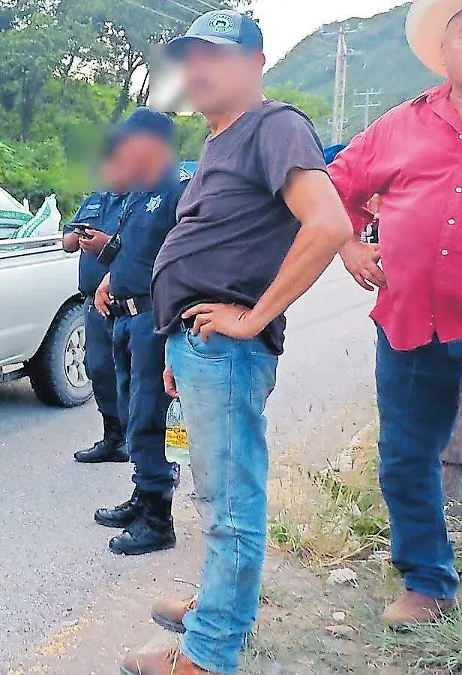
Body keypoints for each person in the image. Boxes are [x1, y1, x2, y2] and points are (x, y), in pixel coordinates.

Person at [122, 11, 352, 675]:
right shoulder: (220, 141)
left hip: (227, 350)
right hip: (197, 349)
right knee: (213, 496)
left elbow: (329, 224)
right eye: (190, 57)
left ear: (255, 63)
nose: (198, 68)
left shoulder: (273, 126)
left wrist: (252, 319)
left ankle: (208, 654)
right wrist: (175, 345)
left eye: (216, 55)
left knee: (229, 503)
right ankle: (218, 609)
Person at [327, 0, 462, 630]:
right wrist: (351, 245)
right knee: (406, 456)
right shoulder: (401, 125)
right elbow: (333, 186)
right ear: (444, 51)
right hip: (412, 323)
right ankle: (427, 582)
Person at [89, 108, 186, 556]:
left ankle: (158, 519)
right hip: (125, 319)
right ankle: (142, 494)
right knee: (132, 413)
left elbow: (182, 257)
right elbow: (136, 252)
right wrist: (111, 277)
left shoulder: (177, 190)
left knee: (150, 416)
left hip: (154, 321)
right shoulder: (137, 192)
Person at [61, 155, 130, 463]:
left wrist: (106, 243)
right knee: (99, 369)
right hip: (93, 304)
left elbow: (143, 248)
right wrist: (78, 237)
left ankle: (143, 443)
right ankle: (112, 438)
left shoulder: (137, 201)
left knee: (135, 375)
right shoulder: (94, 200)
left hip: (125, 305)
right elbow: (66, 242)